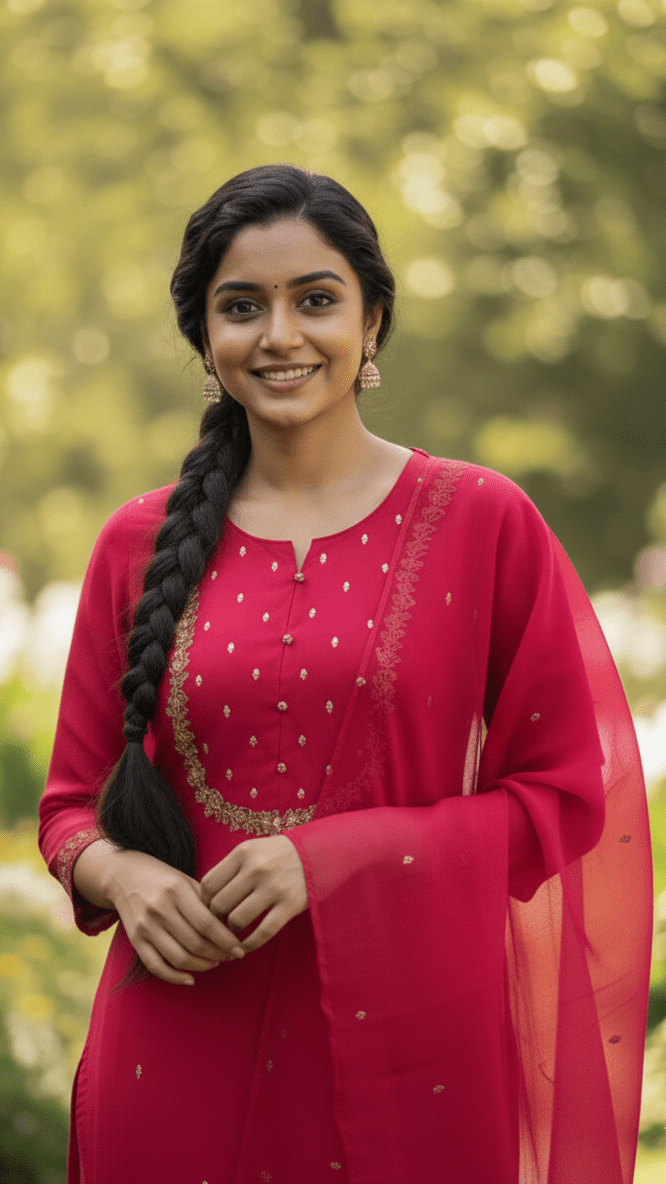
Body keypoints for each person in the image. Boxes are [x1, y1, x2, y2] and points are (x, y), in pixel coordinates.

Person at [39, 164, 651, 1184]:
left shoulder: (481, 522)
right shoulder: (136, 542)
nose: (280, 335)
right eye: (243, 307)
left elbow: (563, 799)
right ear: (206, 339)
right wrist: (124, 874)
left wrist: (330, 859)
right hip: (177, 1029)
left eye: (316, 299)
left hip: (415, 1049)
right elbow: (70, 805)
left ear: (372, 326)